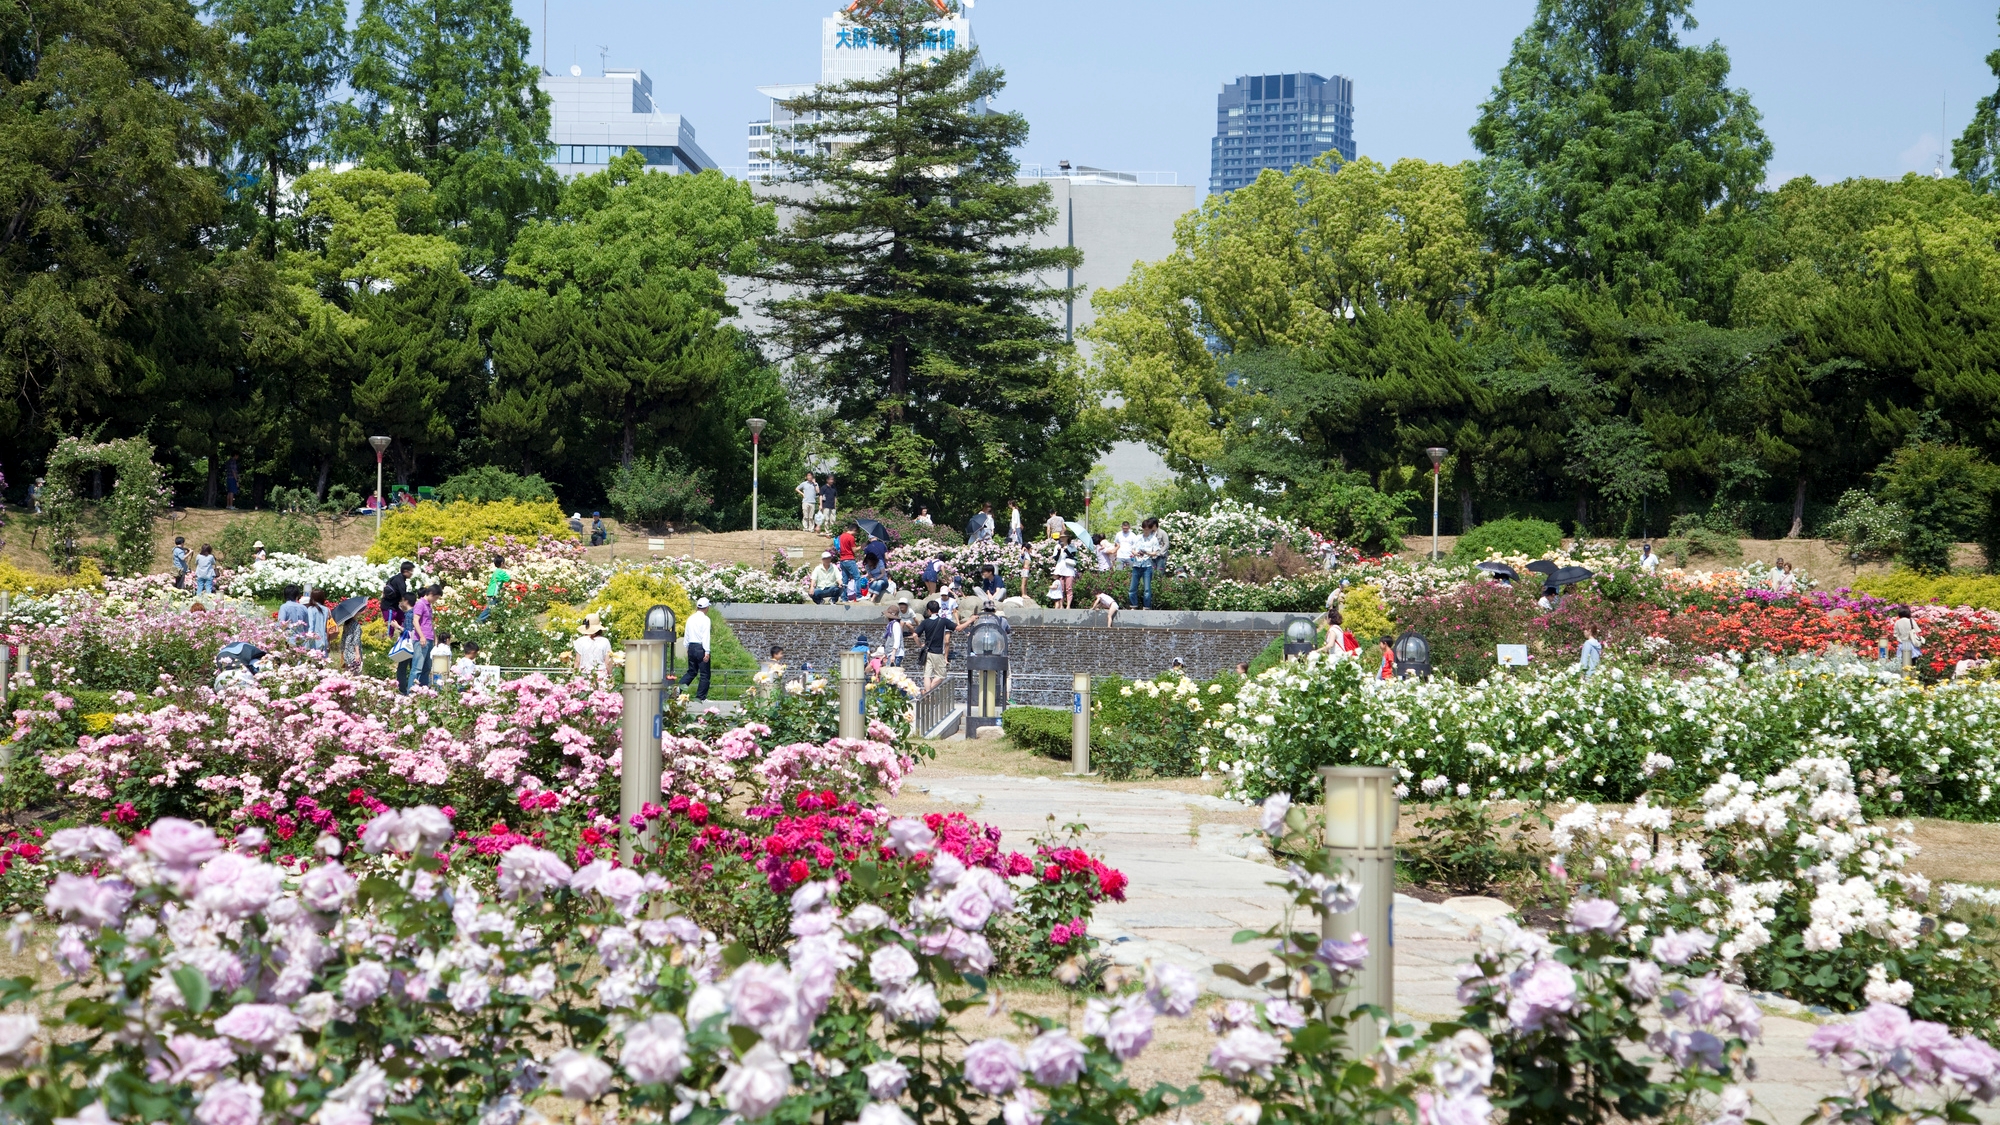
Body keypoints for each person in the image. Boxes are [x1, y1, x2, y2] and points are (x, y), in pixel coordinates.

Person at [916, 600, 954, 687]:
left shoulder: (925, 622)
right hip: (937, 652)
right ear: (939, 609)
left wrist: (920, 644)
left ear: (929, 611)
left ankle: (927, 695)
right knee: (941, 676)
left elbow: (915, 635)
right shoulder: (944, 621)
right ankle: (928, 693)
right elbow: (958, 628)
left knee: (927, 675)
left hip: (927, 652)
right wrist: (970, 620)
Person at [682, 597, 714, 701]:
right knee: (705, 674)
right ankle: (701, 697)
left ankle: (678, 689)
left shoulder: (690, 618)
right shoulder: (706, 619)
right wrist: (707, 651)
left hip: (691, 646)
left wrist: (687, 646)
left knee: (692, 671)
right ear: (706, 607)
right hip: (701, 647)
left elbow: (686, 633)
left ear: (697, 607)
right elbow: (705, 636)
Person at [1128, 518, 1163, 609]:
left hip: (1147, 565)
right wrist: (1135, 553)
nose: (1146, 531)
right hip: (1137, 564)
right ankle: (1133, 605)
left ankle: (1146, 606)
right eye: (1144, 529)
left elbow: (1156, 552)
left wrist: (1147, 553)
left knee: (1147, 589)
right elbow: (1132, 549)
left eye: (1148, 529)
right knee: (1132, 588)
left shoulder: (1153, 539)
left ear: (1151, 529)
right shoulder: (1138, 537)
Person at [410, 585, 439, 689]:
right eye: (436, 598)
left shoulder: (428, 606)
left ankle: (423, 690)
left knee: (427, 668)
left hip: (429, 638)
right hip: (421, 639)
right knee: (417, 668)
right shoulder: (420, 604)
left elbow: (430, 622)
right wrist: (422, 636)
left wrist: (435, 637)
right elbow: (415, 621)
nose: (436, 600)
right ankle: (412, 691)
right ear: (431, 594)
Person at [572, 612, 612, 679]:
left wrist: (574, 677)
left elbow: (577, 662)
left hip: (584, 675)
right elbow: (607, 662)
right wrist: (610, 676)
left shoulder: (580, 641)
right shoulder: (605, 641)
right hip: (601, 676)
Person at [382, 561, 414, 635]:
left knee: (403, 618)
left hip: (394, 607)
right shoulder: (400, 582)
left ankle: (402, 636)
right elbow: (404, 597)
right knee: (390, 628)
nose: (412, 573)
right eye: (411, 571)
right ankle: (387, 643)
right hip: (389, 607)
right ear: (406, 571)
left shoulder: (395, 577)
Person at [480, 554, 512, 622]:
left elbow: (497, 582)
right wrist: (521, 582)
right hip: (494, 593)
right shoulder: (501, 572)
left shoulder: (496, 572)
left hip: (491, 592)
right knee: (489, 609)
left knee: (500, 608)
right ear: (502, 563)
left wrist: (502, 588)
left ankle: (501, 624)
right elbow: (510, 579)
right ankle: (477, 622)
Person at [1052, 531, 1079, 608]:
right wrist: (1059, 551)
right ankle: (1061, 605)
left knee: (1069, 588)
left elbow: (1073, 556)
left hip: (1069, 569)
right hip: (1060, 569)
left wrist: (1066, 550)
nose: (1062, 538)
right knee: (1061, 588)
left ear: (1067, 538)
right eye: (1061, 537)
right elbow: (1056, 558)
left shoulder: (1072, 547)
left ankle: (1068, 605)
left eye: (1064, 537)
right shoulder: (1057, 546)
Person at [1894, 607, 1921, 674]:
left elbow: (1895, 634)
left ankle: (1904, 678)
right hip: (1911, 644)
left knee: (1903, 664)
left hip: (1902, 644)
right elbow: (1918, 630)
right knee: (1912, 664)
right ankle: (1912, 677)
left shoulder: (1897, 622)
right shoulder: (1911, 621)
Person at [836, 525, 860, 599]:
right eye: (856, 532)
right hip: (849, 559)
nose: (856, 534)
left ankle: (844, 597)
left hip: (842, 560)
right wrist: (862, 546)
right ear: (854, 530)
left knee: (845, 579)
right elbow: (854, 550)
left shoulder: (841, 536)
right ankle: (859, 595)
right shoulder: (851, 537)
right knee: (857, 577)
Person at [305, 591, 331, 655]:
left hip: (314, 641)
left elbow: (311, 626)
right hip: (324, 640)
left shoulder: (311, 609)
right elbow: (328, 628)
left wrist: (307, 643)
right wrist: (328, 643)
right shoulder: (327, 609)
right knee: (322, 662)